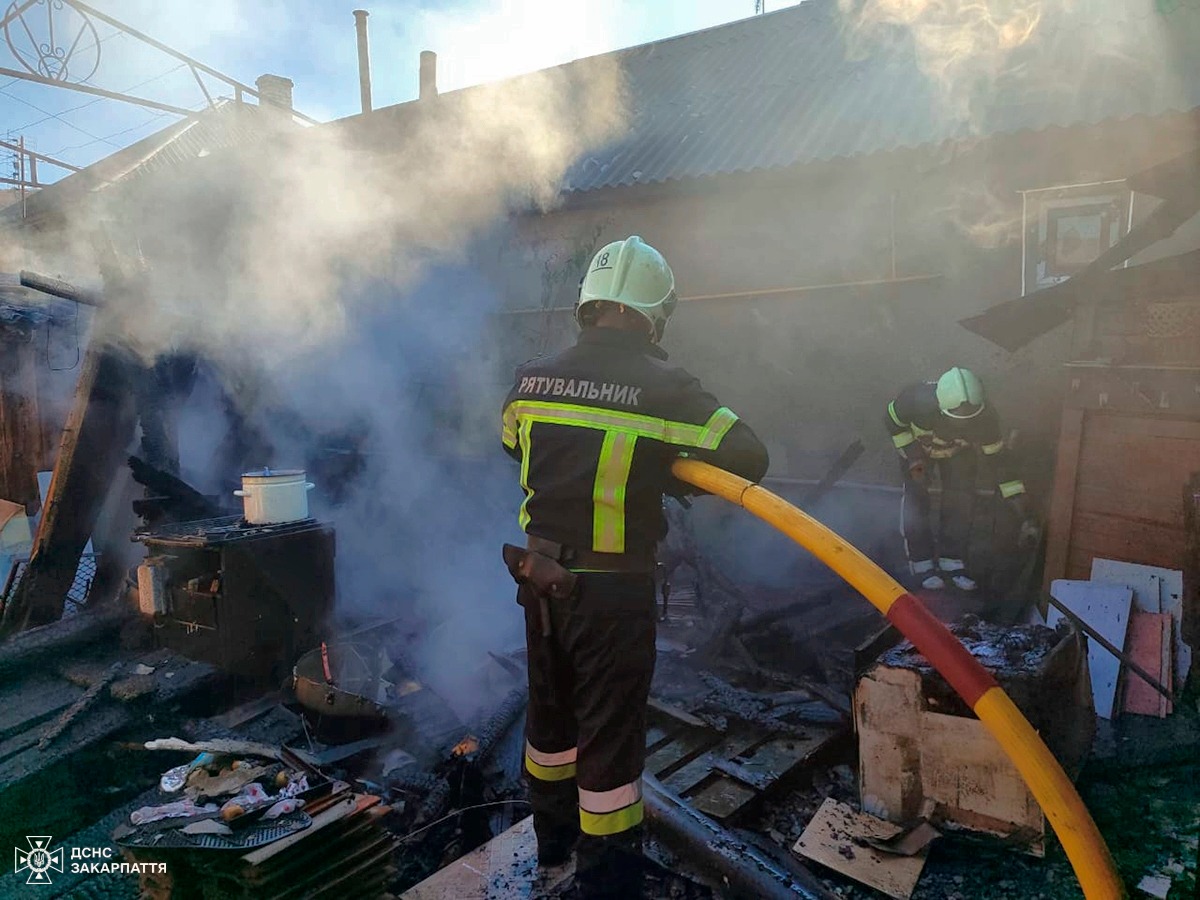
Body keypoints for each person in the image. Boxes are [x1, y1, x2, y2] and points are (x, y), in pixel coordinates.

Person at [500, 235, 768, 897]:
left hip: (537, 581)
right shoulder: (663, 385)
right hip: (609, 593)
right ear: (656, 314)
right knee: (610, 743)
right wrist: (660, 468)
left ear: (588, 306)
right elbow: (748, 454)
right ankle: (608, 881)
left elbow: (513, 444)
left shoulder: (531, 378)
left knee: (550, 724)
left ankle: (552, 850)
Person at [885, 366, 1037, 592]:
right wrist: (914, 458)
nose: (964, 424)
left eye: (970, 418)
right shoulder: (915, 400)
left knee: (961, 501)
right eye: (957, 419)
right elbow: (893, 422)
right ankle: (921, 565)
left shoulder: (987, 419)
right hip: (918, 450)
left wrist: (1019, 503)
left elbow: (999, 462)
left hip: (957, 453)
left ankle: (953, 563)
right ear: (940, 408)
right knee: (917, 501)